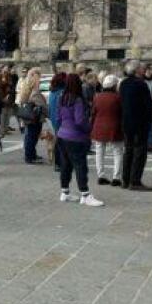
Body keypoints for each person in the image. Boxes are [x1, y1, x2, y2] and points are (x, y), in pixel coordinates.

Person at [57, 74, 103, 206]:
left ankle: (64, 192)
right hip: (76, 137)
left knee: (65, 165)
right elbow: (79, 120)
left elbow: (58, 117)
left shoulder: (62, 98)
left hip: (62, 134)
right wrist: (89, 129)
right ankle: (85, 194)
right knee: (80, 166)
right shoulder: (77, 100)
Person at [119, 60, 152, 190]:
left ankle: (125, 179)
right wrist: (150, 119)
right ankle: (135, 181)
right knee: (140, 151)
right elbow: (148, 104)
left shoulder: (123, 83)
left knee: (128, 150)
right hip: (140, 122)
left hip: (127, 122)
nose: (143, 69)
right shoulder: (141, 84)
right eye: (141, 68)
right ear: (137, 70)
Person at [91, 75, 123, 186]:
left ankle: (101, 175)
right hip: (115, 126)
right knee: (117, 152)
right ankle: (116, 177)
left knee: (99, 151)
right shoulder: (118, 97)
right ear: (115, 86)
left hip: (99, 126)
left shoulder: (97, 97)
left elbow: (93, 113)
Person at [19, 68, 47, 164]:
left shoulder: (27, 87)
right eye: (39, 76)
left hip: (31, 116)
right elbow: (40, 104)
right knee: (31, 137)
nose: (40, 78)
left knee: (31, 136)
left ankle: (31, 154)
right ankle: (29, 157)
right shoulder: (33, 89)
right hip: (34, 117)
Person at [48, 72, 67, 172]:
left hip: (54, 120)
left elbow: (50, 108)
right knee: (62, 143)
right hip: (62, 120)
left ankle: (58, 163)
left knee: (58, 142)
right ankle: (60, 163)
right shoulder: (62, 93)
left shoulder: (52, 92)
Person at [0, 66, 14, 136]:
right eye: (5, 70)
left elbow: (11, 85)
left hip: (9, 98)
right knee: (2, 116)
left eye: (7, 70)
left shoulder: (9, 76)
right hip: (2, 99)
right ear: (2, 70)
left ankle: (6, 129)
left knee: (8, 116)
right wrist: (4, 81)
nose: (6, 72)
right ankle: (2, 130)